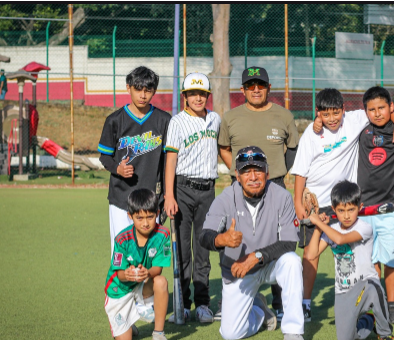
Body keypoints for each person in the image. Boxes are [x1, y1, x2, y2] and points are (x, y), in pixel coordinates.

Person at [293, 88, 394, 323]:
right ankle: (305, 303)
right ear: (318, 113)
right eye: (325, 114)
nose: (332, 118)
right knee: (311, 255)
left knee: (354, 254)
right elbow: (301, 172)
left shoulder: (355, 119)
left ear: (344, 110)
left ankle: (362, 302)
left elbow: (382, 110)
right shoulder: (311, 134)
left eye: (336, 113)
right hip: (317, 204)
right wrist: (297, 201)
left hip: (345, 204)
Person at [199, 146, 306, 340]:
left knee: (292, 261)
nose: (253, 177)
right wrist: (221, 239)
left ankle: (293, 332)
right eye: (246, 171)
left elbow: (290, 242)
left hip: (269, 265)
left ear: (267, 173)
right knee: (231, 334)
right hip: (237, 270)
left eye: (258, 170)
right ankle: (260, 311)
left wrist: (256, 256)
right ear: (237, 176)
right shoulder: (225, 198)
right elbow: (204, 236)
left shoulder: (281, 196)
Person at [217, 66, 301, 318]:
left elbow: (293, 148)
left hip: (275, 185)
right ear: (242, 89)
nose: (256, 89)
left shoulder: (284, 115)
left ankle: (281, 303)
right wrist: (237, 173)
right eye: (250, 86)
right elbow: (223, 147)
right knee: (235, 241)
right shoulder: (230, 117)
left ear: (268, 88)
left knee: (280, 244)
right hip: (241, 189)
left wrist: (281, 170)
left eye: (260, 85)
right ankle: (234, 296)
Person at [305, 180, 394, 340]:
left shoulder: (365, 228)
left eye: (351, 210)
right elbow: (311, 255)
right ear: (334, 209)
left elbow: (341, 239)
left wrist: (319, 223)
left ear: (360, 207)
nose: (347, 216)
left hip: (366, 284)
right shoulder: (331, 229)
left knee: (374, 287)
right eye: (341, 211)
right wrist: (319, 228)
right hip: (343, 291)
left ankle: (386, 335)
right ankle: (369, 320)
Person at [163, 72, 221, 323]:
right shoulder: (177, 122)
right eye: (193, 94)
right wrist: (169, 195)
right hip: (182, 189)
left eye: (202, 94)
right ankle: (183, 304)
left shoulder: (215, 119)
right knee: (183, 250)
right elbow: (171, 160)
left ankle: (203, 304)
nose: (198, 98)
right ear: (185, 96)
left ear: (208, 96)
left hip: (208, 190)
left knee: (203, 249)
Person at [99, 66, 172, 253]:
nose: (143, 95)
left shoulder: (164, 120)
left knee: (149, 254)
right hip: (121, 199)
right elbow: (105, 156)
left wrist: (166, 195)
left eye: (148, 90)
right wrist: (117, 169)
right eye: (138, 89)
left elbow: (168, 161)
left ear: (154, 91)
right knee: (121, 252)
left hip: (151, 200)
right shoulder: (115, 120)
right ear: (128, 87)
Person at [104, 188, 174, 340]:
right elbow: (119, 274)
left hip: (143, 283)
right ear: (130, 216)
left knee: (161, 282)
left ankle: (158, 334)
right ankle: (128, 322)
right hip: (120, 289)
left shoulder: (163, 234)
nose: (145, 223)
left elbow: (158, 269)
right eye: (139, 218)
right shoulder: (122, 239)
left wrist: (147, 273)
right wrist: (127, 274)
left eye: (150, 217)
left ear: (157, 213)